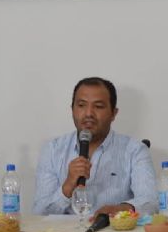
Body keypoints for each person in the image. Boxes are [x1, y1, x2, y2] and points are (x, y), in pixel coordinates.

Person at [32, 77, 158, 217]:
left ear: (113, 113)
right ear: (72, 110)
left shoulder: (135, 150)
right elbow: (39, 214)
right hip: (65, 231)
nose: (88, 114)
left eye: (98, 106)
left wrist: (121, 209)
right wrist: (67, 186)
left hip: (113, 230)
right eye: (81, 105)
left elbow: (151, 202)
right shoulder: (52, 150)